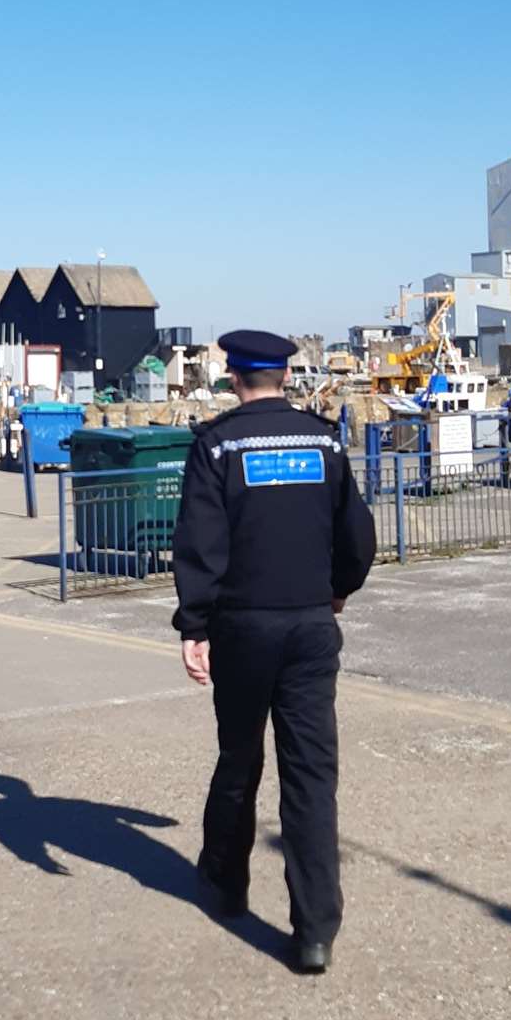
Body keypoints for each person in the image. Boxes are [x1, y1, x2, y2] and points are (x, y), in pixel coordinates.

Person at [171, 329, 376, 975]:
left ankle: (227, 884)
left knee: (240, 759)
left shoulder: (218, 444)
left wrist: (194, 626)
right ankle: (315, 931)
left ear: (234, 377)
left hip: (243, 629)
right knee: (311, 777)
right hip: (312, 627)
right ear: (286, 377)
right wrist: (337, 591)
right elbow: (357, 537)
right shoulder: (323, 440)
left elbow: (201, 547)